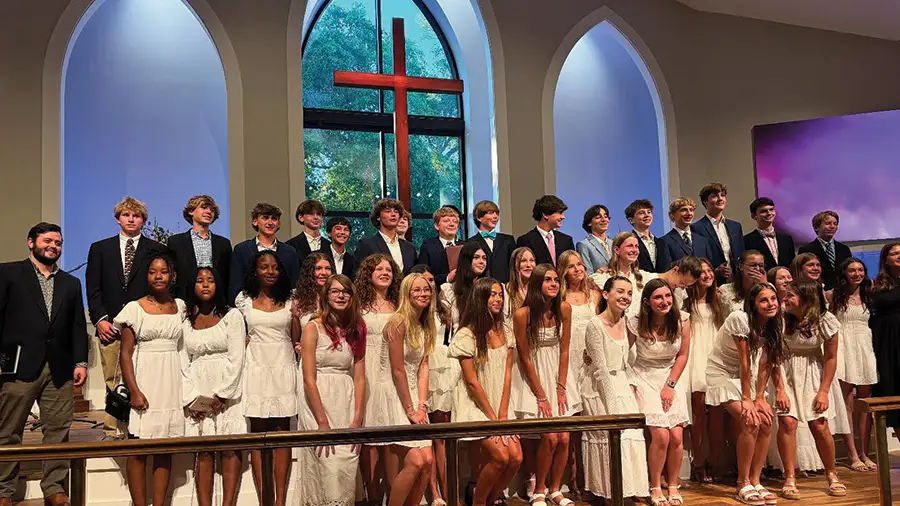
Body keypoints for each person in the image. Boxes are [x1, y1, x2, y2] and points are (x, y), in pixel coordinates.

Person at [0, 222, 88, 506]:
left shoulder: (71, 283)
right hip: (18, 364)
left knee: (58, 431)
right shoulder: (9, 273)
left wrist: (81, 362)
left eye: (58, 243)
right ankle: (4, 490)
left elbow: (76, 326)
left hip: (59, 367)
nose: (53, 246)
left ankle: (54, 488)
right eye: (48, 240)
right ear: (31, 243)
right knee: (8, 431)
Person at [85, 197, 165, 437]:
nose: (131, 219)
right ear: (118, 218)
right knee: (112, 376)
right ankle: (112, 429)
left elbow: (159, 287)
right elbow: (93, 287)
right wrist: (99, 319)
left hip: (142, 325)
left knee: (140, 374)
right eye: (126, 215)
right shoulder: (100, 248)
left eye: (136, 215)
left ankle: (137, 427)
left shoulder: (156, 249)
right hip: (109, 324)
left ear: (143, 220)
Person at [705, 282, 785, 506]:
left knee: (766, 420)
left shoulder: (777, 321)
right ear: (753, 303)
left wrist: (760, 398)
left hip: (747, 374)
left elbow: (765, 362)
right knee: (750, 421)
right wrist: (747, 399)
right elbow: (744, 362)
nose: (770, 304)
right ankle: (742, 483)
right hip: (722, 372)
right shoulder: (739, 319)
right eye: (763, 300)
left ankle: (756, 480)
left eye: (773, 299)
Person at [116, 252, 187, 506]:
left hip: (172, 379)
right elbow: (125, 354)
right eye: (153, 271)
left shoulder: (180, 306)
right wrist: (134, 390)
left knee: (164, 447)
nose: (158, 276)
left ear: (172, 275)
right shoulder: (133, 308)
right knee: (138, 448)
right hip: (145, 376)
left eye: (164, 271)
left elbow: (182, 347)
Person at [449, 277, 522, 506]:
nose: (498, 299)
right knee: (500, 456)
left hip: (500, 403)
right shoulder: (466, 335)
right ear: (480, 298)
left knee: (516, 458)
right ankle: (479, 501)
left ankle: (490, 500)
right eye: (492, 294)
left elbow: (508, 375)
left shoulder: (506, 331)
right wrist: (492, 419)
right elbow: (472, 382)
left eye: (500, 294)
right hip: (476, 402)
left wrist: (502, 415)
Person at [295, 274, 367, 506]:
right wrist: (322, 421)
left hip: (345, 401)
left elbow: (359, 377)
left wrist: (357, 419)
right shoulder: (312, 327)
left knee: (345, 467)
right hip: (319, 401)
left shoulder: (357, 328)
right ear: (326, 296)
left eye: (345, 291)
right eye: (335, 291)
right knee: (327, 465)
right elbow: (308, 379)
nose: (341, 295)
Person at [235, 250, 298, 506]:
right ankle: (264, 501)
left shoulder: (292, 300)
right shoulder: (243, 300)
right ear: (255, 271)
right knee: (257, 433)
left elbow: (296, 338)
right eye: (264, 267)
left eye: (274, 267)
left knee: (283, 432)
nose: (270, 271)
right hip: (256, 366)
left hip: (283, 365)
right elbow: (238, 334)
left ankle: (280, 500)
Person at [512, 264, 578, 506]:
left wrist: (561, 387)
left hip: (559, 375)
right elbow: (524, 356)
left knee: (564, 438)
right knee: (549, 437)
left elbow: (564, 349)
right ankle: (538, 489)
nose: (554, 284)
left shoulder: (564, 308)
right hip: (534, 376)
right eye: (548, 280)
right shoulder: (523, 314)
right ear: (537, 284)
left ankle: (555, 489)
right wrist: (540, 394)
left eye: (556, 280)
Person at [369, 274, 436, 506]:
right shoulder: (397, 322)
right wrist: (410, 409)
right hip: (395, 395)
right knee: (416, 461)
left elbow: (423, 366)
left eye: (426, 290)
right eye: (416, 290)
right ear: (406, 294)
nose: (422, 294)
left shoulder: (425, 323)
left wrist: (422, 405)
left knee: (428, 460)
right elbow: (397, 370)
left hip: (415, 396)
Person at [581, 276, 650, 502]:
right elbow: (600, 371)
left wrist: (631, 387)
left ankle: (628, 490)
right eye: (620, 291)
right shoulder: (595, 325)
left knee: (631, 438)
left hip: (621, 384)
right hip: (600, 390)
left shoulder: (626, 322)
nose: (625, 297)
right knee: (612, 437)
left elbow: (626, 362)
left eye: (629, 293)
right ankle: (610, 493)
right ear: (606, 294)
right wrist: (612, 412)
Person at [181, 267, 246, 506]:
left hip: (227, 391)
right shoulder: (186, 321)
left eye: (210, 280)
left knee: (229, 449)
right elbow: (183, 361)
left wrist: (223, 394)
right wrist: (192, 399)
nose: (205, 285)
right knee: (204, 451)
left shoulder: (232, 316)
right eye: (199, 281)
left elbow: (238, 357)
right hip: (199, 389)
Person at [777, 281, 847, 499]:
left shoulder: (825, 320)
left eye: (790, 296)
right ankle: (790, 477)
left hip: (813, 373)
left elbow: (831, 357)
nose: (784, 300)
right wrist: (779, 389)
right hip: (784, 370)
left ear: (806, 299)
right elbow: (772, 355)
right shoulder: (779, 319)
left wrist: (824, 390)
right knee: (788, 422)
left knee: (819, 425)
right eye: (785, 295)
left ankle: (832, 474)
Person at [626, 279, 691, 506]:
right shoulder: (635, 323)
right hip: (644, 376)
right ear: (647, 302)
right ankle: (654, 486)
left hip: (670, 378)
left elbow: (682, 355)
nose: (664, 301)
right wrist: (629, 384)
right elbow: (624, 353)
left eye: (667, 296)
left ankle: (672, 484)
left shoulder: (682, 319)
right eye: (658, 297)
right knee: (661, 435)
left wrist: (670, 386)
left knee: (676, 436)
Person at [356, 254, 401, 506]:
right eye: (379, 268)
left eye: (389, 269)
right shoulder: (358, 304)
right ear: (368, 273)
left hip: (392, 370)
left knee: (391, 435)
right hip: (367, 369)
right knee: (369, 436)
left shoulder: (398, 303)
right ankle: (372, 496)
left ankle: (393, 496)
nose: (385, 272)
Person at [557, 250, 599, 496]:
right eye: (571, 266)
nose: (577, 269)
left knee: (591, 419)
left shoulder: (594, 294)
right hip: (570, 359)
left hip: (590, 360)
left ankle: (590, 477)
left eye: (580, 264)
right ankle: (574, 477)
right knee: (573, 419)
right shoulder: (560, 296)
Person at [831, 257, 878, 472]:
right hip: (843, 349)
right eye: (852, 270)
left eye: (860, 269)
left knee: (864, 404)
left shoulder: (870, 294)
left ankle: (864, 453)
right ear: (844, 273)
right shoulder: (833, 296)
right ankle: (852, 455)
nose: (857, 273)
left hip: (865, 348)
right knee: (847, 404)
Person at [682, 258, 727, 483]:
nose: (708, 274)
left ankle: (715, 460)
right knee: (698, 412)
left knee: (717, 411)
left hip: (715, 356)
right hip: (694, 356)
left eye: (710, 270)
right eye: (703, 271)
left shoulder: (719, 300)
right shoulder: (685, 302)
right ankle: (698, 461)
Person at [229, 203, 300, 302]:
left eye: (274, 219)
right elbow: (236, 284)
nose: (270, 222)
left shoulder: (290, 251)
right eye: (265, 218)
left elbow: (294, 286)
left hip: (283, 307)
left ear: (278, 224)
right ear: (255, 222)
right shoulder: (241, 249)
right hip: (249, 307)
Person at [168, 195, 233, 300]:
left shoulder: (223, 244)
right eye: (204, 207)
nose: (209, 212)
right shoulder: (175, 242)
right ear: (191, 211)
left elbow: (228, 276)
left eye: (212, 210)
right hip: (184, 300)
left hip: (217, 302)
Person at [868, 242, 900, 437]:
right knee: (895, 388)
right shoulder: (877, 285)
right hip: (889, 343)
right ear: (885, 259)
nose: (899, 255)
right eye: (895, 253)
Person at [590, 232, 657, 316]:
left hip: (640, 327)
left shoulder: (644, 276)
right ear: (617, 250)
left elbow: (669, 277)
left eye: (636, 246)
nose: (634, 250)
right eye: (630, 246)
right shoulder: (602, 277)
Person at [692, 182, 745, 284]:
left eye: (723, 195)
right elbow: (698, 260)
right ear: (705, 201)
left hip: (737, 283)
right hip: (713, 283)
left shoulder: (735, 226)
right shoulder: (696, 228)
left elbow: (741, 255)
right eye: (715, 196)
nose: (720, 199)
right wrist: (715, 271)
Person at [356, 198, 418, 275]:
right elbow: (359, 275)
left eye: (396, 212)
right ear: (378, 217)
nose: (393, 214)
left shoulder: (410, 247)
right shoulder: (366, 244)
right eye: (388, 211)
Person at [797, 211, 852, 291]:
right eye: (828, 223)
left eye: (835, 224)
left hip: (842, 292)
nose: (832, 226)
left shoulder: (844, 249)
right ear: (817, 227)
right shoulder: (806, 250)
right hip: (818, 292)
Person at [516, 195, 575, 267]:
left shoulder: (566, 240)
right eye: (560, 212)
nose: (563, 217)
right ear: (545, 214)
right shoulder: (526, 241)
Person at [468, 200, 516, 283]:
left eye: (497, 213)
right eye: (490, 213)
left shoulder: (508, 240)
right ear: (479, 217)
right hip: (481, 288)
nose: (496, 217)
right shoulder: (470, 243)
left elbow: (514, 267)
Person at [742, 197, 795, 272]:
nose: (769, 213)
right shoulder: (746, 241)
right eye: (764, 211)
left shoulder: (787, 239)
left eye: (771, 209)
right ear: (754, 216)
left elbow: (792, 265)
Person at [418, 206, 462, 286]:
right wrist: (447, 278)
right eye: (446, 221)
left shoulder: (465, 246)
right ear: (437, 226)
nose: (452, 224)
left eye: (455, 221)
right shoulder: (428, 246)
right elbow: (423, 276)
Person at [660, 197, 712, 264]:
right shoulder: (664, 242)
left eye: (691, 210)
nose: (689, 213)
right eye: (684, 210)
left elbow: (709, 266)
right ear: (672, 215)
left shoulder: (703, 241)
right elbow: (666, 269)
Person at [625, 199, 671, 273]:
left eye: (649, 212)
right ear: (631, 220)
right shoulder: (627, 242)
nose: (647, 215)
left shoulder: (662, 243)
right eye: (641, 213)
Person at [292, 252, 334, 328]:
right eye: (318, 268)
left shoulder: (338, 296)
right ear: (309, 272)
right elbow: (296, 338)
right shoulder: (298, 299)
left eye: (328, 268)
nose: (324, 273)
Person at [286, 199, 329, 268]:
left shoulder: (330, 245)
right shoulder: (290, 246)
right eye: (311, 214)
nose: (316, 217)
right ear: (301, 217)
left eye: (319, 214)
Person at [576, 204, 614, 274]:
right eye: (598, 217)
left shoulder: (614, 243)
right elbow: (587, 274)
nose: (604, 220)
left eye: (606, 216)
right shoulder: (584, 245)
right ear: (589, 223)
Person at [505, 247, 536, 322]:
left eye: (532, 260)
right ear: (514, 264)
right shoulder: (505, 290)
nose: (529, 265)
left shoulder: (539, 289)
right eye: (523, 261)